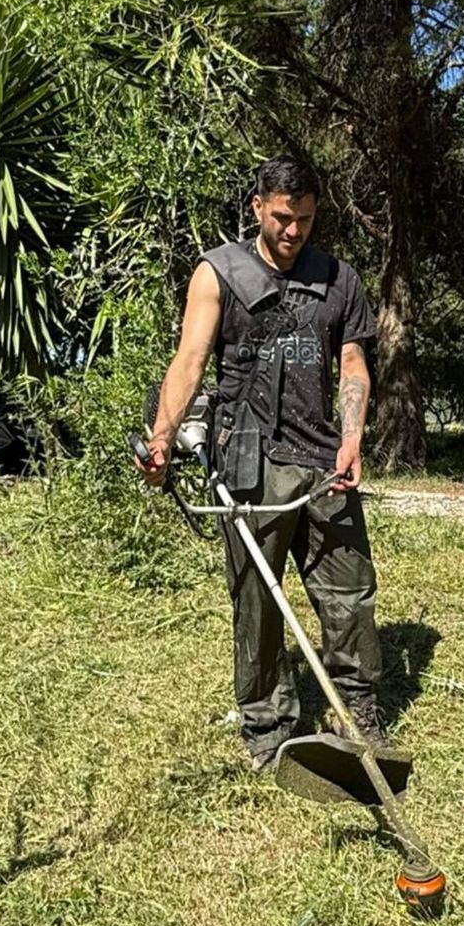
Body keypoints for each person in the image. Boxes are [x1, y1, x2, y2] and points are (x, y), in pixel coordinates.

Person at [137, 156, 385, 771]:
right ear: (257, 208)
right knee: (258, 602)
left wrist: (352, 436)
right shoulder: (218, 272)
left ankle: (357, 710)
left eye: (303, 219)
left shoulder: (339, 279)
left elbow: (352, 364)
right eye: (281, 217)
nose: (293, 231)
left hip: (323, 457)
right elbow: (191, 359)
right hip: (246, 462)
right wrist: (162, 438)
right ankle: (268, 727)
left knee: (349, 593)